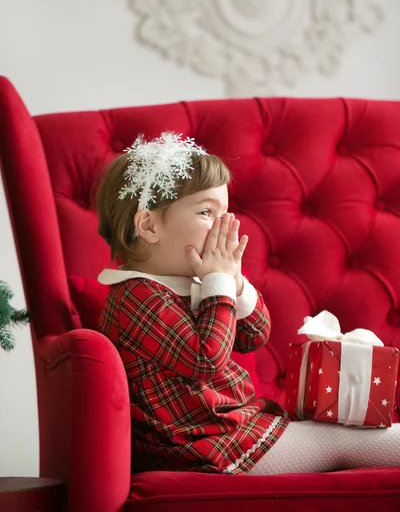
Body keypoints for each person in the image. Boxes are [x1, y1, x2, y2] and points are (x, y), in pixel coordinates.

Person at [95, 132, 400, 475]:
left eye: (225, 212)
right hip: (200, 446)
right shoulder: (137, 296)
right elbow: (206, 360)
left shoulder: (191, 284)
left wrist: (234, 283)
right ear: (149, 226)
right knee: (344, 440)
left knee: (346, 432)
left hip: (231, 427)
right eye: (207, 212)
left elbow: (254, 335)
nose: (224, 225)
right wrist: (218, 284)